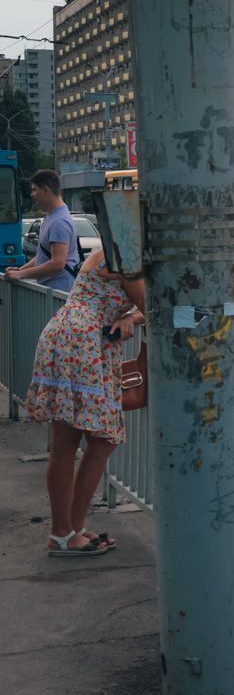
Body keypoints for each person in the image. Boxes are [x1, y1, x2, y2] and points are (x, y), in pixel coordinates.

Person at [25, 248, 145, 556]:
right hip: (83, 340)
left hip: (77, 336)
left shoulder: (113, 249)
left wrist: (130, 317)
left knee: (87, 441)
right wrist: (134, 316)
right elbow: (157, 308)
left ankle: (70, 529)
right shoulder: (125, 256)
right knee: (78, 440)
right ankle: (62, 532)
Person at [4, 170, 80, 292]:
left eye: (34, 190)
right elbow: (43, 256)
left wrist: (22, 274)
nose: (32, 194)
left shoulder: (59, 221)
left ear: (45, 190)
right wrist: (21, 270)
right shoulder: (52, 216)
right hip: (51, 292)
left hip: (59, 293)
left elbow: (58, 263)